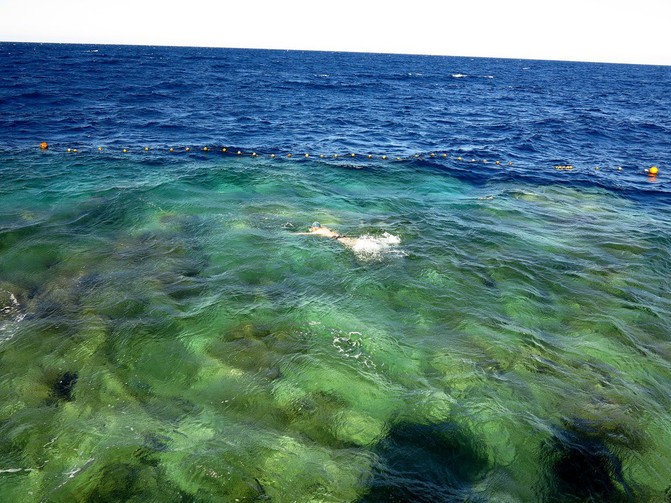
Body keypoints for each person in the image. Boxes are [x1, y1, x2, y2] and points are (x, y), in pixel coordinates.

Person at [293, 222, 358, 247]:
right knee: (355, 241)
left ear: (314, 228)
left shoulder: (317, 232)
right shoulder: (324, 228)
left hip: (337, 238)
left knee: (353, 246)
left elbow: (305, 233)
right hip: (340, 235)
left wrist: (293, 234)